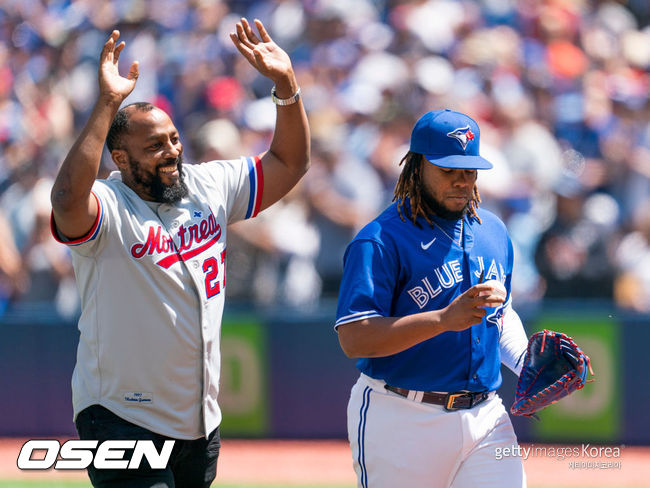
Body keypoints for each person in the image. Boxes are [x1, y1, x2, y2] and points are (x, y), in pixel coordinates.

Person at [50, 18, 309, 488]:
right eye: (153, 146)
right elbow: (67, 199)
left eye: (172, 139)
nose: (170, 151)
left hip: (198, 419)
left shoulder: (207, 185)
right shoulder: (107, 207)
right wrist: (109, 103)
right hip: (119, 414)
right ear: (120, 159)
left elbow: (290, 163)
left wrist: (286, 87)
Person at [335, 109, 529, 488]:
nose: (461, 181)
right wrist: (442, 320)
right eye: (448, 170)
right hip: (402, 417)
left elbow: (498, 315)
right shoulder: (380, 239)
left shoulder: (492, 230)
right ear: (417, 166)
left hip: (486, 416)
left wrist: (528, 363)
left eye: (469, 171)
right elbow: (354, 337)